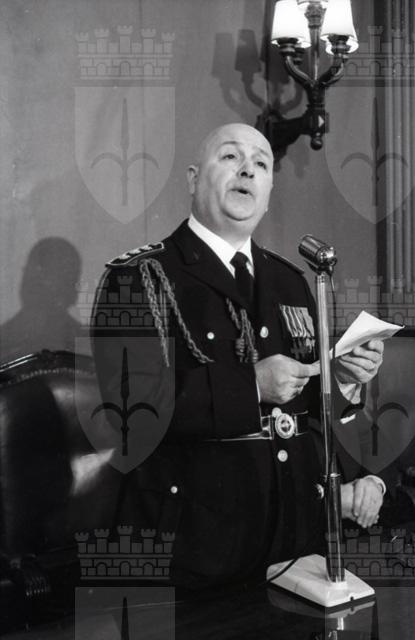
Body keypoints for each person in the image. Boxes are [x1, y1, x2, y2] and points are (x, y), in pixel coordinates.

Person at [91, 123, 385, 589]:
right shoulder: (137, 277)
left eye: (261, 164)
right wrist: (251, 385)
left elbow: (303, 412)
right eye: (230, 157)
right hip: (194, 549)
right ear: (193, 179)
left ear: (268, 194)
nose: (247, 170)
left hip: (293, 540)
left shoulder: (291, 281)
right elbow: (129, 414)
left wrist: (344, 378)